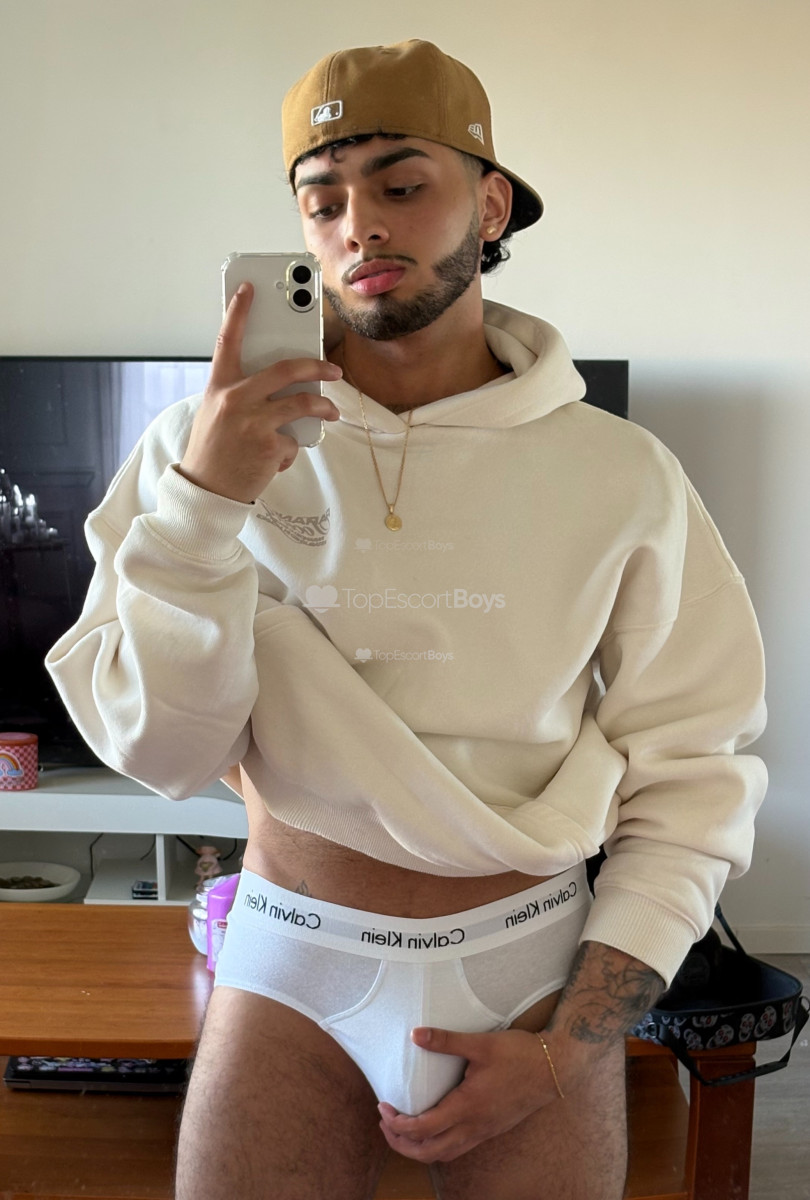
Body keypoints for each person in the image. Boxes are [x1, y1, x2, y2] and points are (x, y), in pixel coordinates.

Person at [46, 39, 767, 1200]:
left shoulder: (623, 473)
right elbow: (166, 757)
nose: (359, 228)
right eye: (322, 199)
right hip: (293, 961)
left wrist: (573, 1042)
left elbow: (696, 774)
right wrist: (204, 507)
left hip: (527, 967)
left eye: (401, 184)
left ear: (490, 206)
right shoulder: (196, 451)